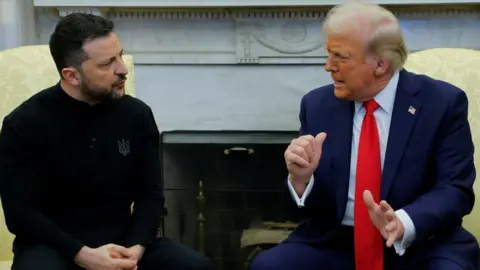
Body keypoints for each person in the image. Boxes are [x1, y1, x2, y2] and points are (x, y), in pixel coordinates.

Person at [251, 1, 479, 270]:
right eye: (328, 54)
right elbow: (307, 209)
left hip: (420, 241)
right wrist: (301, 181)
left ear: (380, 65)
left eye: (340, 57)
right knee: (271, 266)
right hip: (336, 242)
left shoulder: (442, 103)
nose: (328, 66)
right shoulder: (317, 105)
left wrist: (403, 222)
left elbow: (455, 189)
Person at [0, 13, 214, 270]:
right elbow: (20, 213)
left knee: (196, 267)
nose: (123, 69)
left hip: (124, 243)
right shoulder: (23, 124)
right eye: (107, 64)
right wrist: (81, 253)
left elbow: (151, 195)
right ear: (71, 76)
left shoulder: (137, 115)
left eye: (120, 56)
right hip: (53, 247)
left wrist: (136, 248)